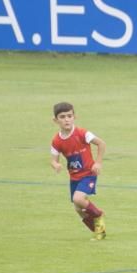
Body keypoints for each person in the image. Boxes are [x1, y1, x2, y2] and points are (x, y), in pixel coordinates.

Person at [50, 102, 107, 241]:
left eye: (69, 116)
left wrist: (98, 163)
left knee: (78, 199)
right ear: (55, 120)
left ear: (74, 116)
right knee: (78, 209)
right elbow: (53, 159)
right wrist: (56, 164)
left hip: (88, 174)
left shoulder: (82, 133)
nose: (66, 119)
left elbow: (101, 143)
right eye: (62, 117)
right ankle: (98, 231)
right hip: (74, 177)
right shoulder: (57, 140)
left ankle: (98, 214)